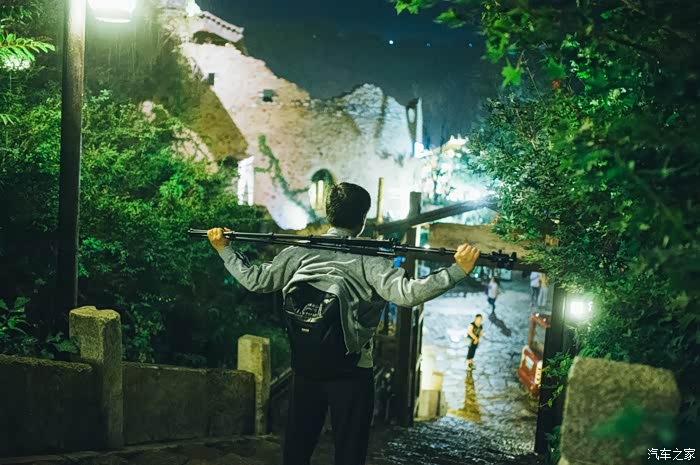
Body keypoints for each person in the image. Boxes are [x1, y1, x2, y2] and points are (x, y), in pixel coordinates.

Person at [207, 182, 481, 465]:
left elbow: (256, 280)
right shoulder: (370, 257)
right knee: (350, 452)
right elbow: (407, 294)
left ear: (329, 214)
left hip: (305, 364)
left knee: (297, 448)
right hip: (352, 370)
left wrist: (224, 249)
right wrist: (457, 270)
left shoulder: (300, 251)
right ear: (362, 219)